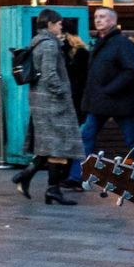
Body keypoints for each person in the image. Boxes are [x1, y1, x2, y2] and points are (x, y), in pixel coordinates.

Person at [14, 10, 83, 204]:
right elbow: (50, 74)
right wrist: (63, 91)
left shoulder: (37, 42)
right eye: (59, 24)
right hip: (53, 103)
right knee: (59, 147)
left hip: (41, 100)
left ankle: (28, 177)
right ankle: (51, 189)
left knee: (51, 147)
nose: (61, 27)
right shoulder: (50, 45)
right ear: (51, 24)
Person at [80, 5, 134, 158]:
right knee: (85, 136)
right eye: (95, 17)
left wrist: (110, 89)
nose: (98, 20)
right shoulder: (99, 43)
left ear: (113, 20)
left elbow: (132, 70)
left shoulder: (122, 43)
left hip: (118, 102)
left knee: (132, 140)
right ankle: (78, 175)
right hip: (99, 102)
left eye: (102, 16)